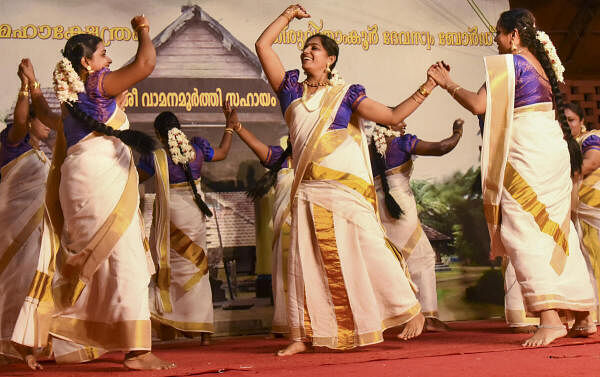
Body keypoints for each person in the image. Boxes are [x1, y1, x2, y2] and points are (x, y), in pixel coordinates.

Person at [256, 4, 441, 355]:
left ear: (331, 60)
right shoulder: (290, 90)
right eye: (305, 47)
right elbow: (263, 46)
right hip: (307, 190)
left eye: (316, 48)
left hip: (344, 190)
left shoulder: (347, 95)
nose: (307, 51)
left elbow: (390, 115)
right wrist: (286, 16)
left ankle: (409, 309)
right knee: (302, 262)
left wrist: (428, 85)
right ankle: (300, 335)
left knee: (369, 247)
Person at [428, 8, 595, 347]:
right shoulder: (546, 67)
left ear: (514, 35)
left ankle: (550, 319)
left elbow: (479, 105)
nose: (495, 40)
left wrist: (447, 84)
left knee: (521, 231)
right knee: (556, 230)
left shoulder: (511, 64)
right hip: (551, 149)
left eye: (499, 34)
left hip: (525, 154)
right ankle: (582, 312)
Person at [26, 16, 175, 369]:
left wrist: (32, 86)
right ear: (86, 62)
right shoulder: (96, 84)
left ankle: (58, 339)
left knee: (89, 266)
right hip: (100, 184)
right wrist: (143, 30)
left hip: (78, 184)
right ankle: (138, 351)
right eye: (104, 54)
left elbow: (47, 119)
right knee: (128, 263)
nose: (108, 61)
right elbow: (146, 63)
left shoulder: (71, 96)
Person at [137, 104, 235, 345]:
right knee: (198, 270)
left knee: (168, 268)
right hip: (194, 215)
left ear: (159, 135)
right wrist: (230, 127)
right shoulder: (198, 151)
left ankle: (163, 319)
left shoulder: (156, 158)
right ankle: (204, 334)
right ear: (179, 129)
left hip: (170, 218)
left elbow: (134, 178)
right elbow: (222, 152)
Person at [369, 118, 463, 331]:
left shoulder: (368, 150)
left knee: (391, 261)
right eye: (400, 121)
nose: (404, 125)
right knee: (422, 257)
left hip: (377, 208)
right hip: (400, 207)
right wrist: (457, 131)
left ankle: (395, 317)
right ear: (390, 125)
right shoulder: (402, 143)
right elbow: (442, 147)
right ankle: (428, 317)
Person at [0, 61, 58, 370]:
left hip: (38, 230)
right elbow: (20, 121)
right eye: (40, 120)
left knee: (34, 282)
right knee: (15, 282)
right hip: (15, 227)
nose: (46, 124)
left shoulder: (40, 153)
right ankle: (14, 347)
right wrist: (27, 85)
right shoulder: (11, 143)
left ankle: (26, 344)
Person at [236, 128, 293, 335]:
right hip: (285, 223)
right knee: (285, 271)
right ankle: (286, 322)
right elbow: (257, 147)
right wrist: (238, 127)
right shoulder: (279, 156)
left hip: (310, 222)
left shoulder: (315, 156)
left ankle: (311, 322)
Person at [567, 102, 600, 334]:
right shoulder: (559, 147)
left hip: (595, 207)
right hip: (577, 213)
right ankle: (590, 315)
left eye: (571, 120)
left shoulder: (591, 138)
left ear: (582, 122)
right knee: (587, 262)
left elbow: (593, 162)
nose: (567, 125)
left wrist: (562, 175)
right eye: (563, 121)